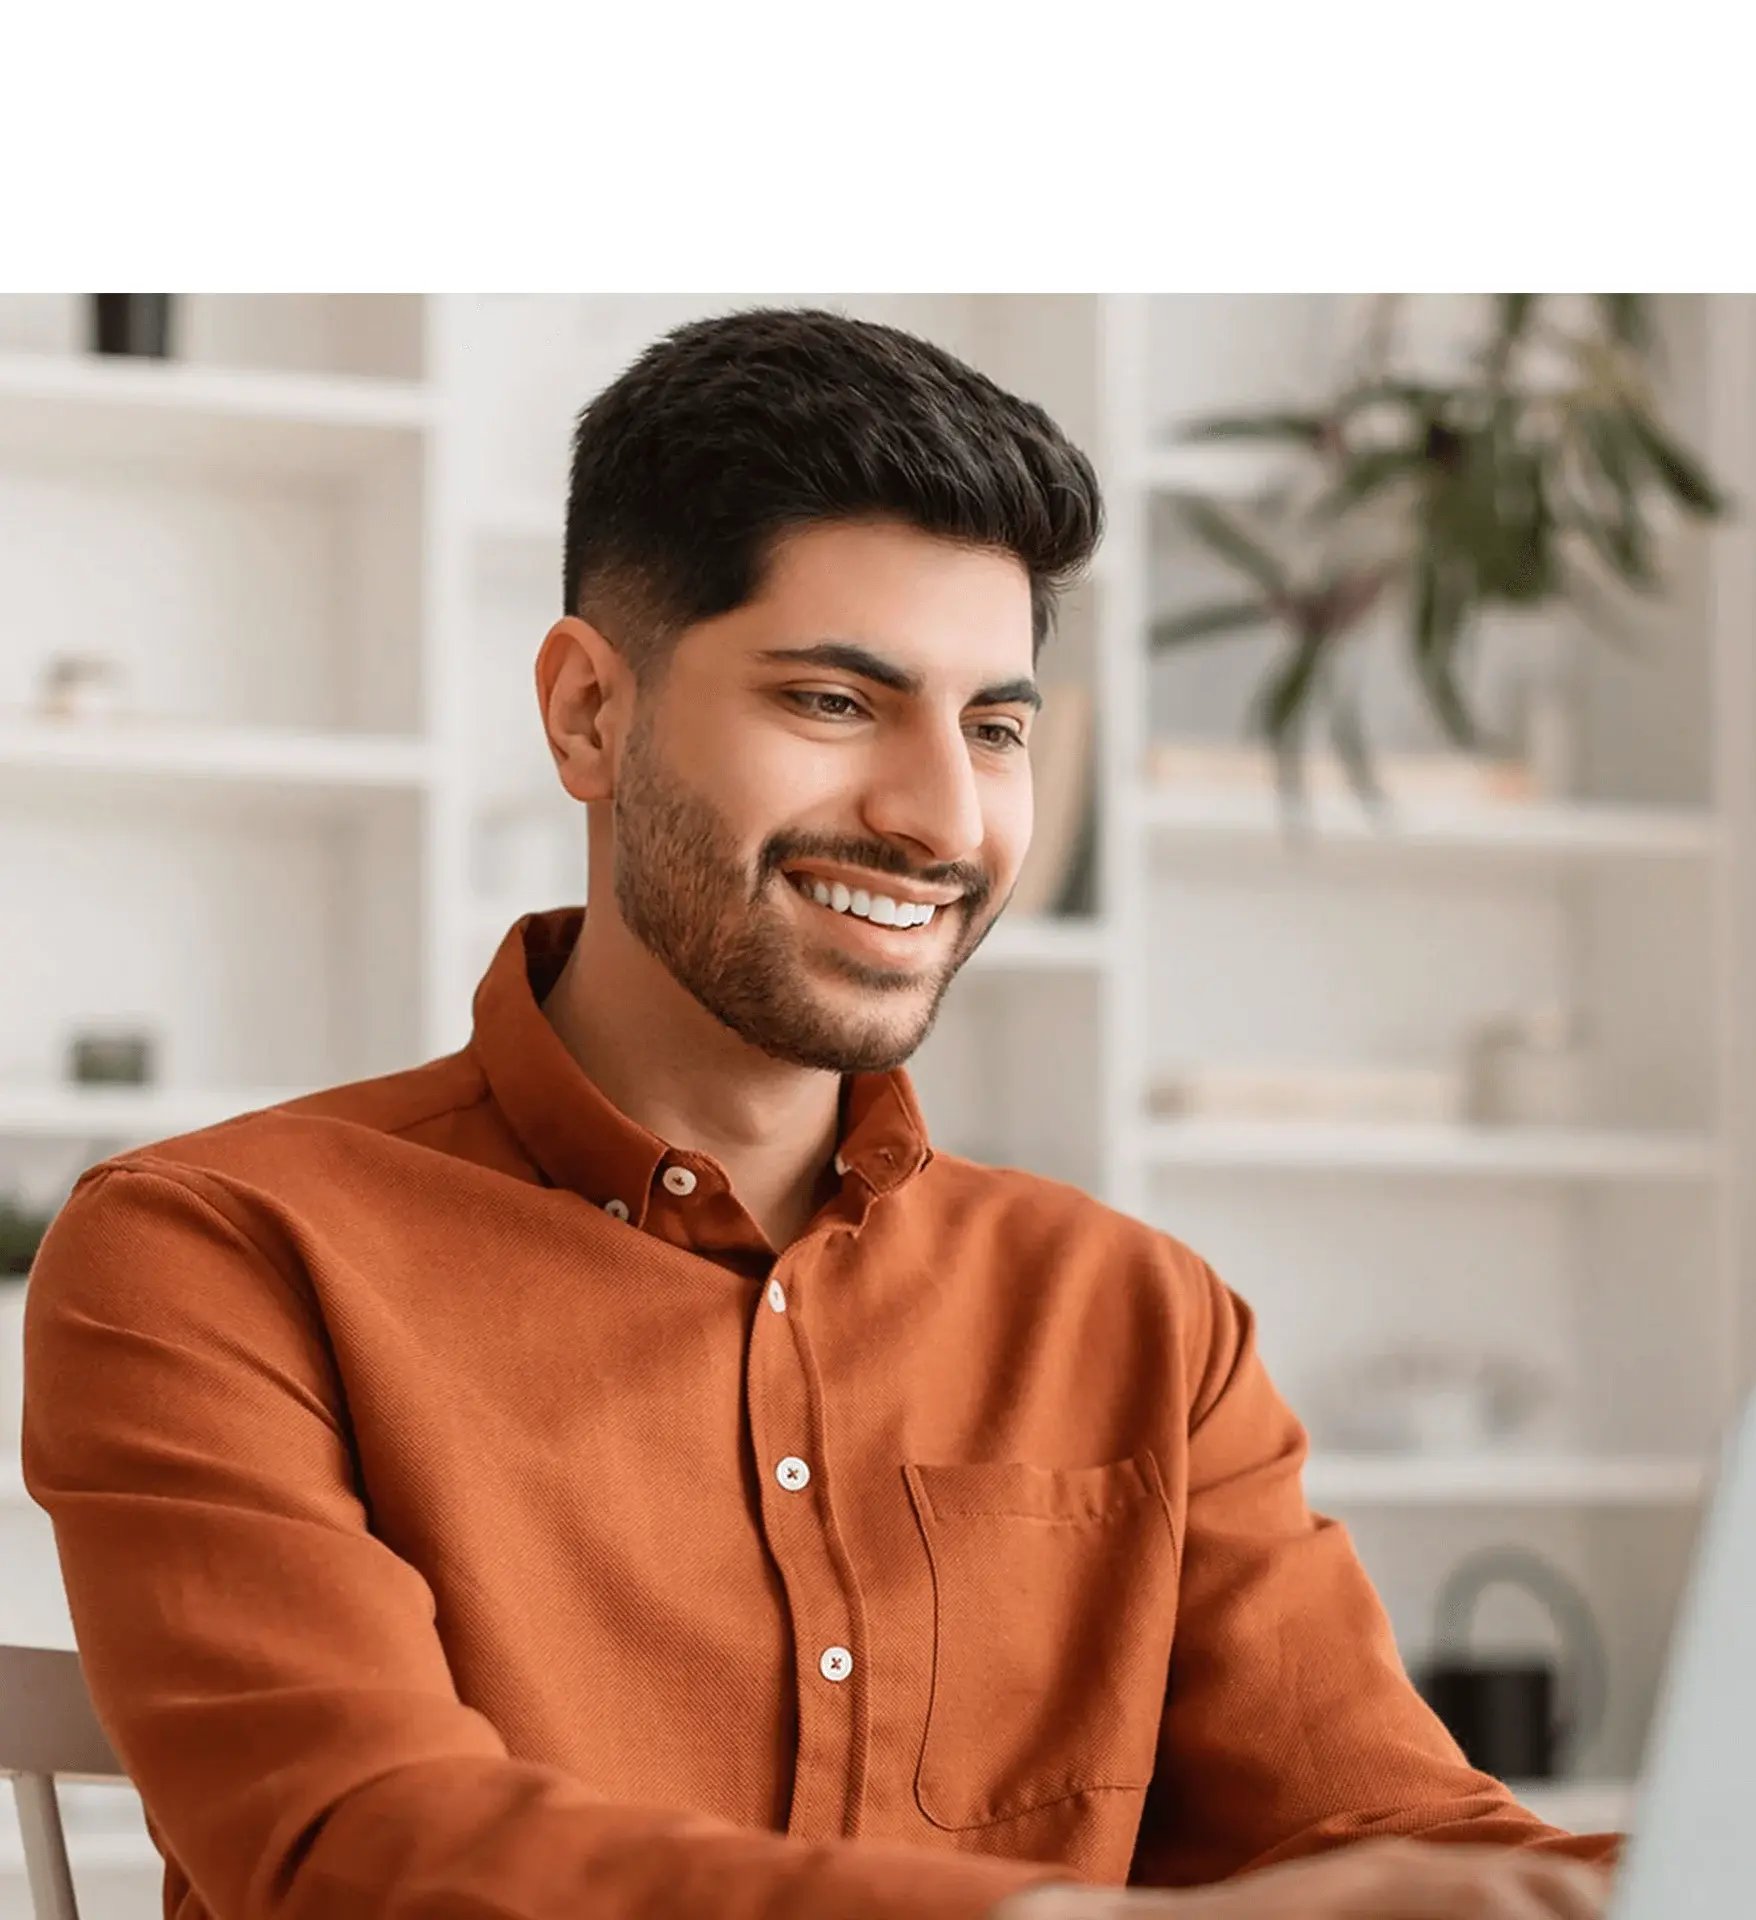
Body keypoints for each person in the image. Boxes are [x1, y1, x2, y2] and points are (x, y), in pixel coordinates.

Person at [23, 305, 1619, 1920]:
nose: (940, 817)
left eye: (995, 728)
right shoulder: (216, 1252)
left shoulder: (1145, 1319)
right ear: (589, 713)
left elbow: (1399, 1840)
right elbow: (367, 1853)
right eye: (836, 704)